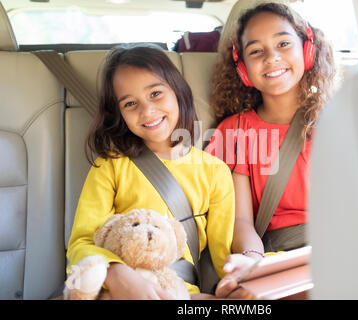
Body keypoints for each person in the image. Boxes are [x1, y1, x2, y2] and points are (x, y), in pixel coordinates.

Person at [66, 45, 235, 299]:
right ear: (119, 114)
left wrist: (249, 274)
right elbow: (81, 243)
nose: (147, 111)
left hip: (178, 291)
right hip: (115, 288)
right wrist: (115, 273)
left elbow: (226, 257)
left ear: (178, 93)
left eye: (155, 93)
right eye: (130, 103)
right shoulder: (109, 166)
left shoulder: (215, 171)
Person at [205, 3, 336, 298]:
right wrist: (253, 260)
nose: (271, 57)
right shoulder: (234, 131)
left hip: (334, 249)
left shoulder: (338, 121)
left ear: (308, 50)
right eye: (256, 51)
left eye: (283, 43)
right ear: (242, 67)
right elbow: (240, 220)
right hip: (273, 257)